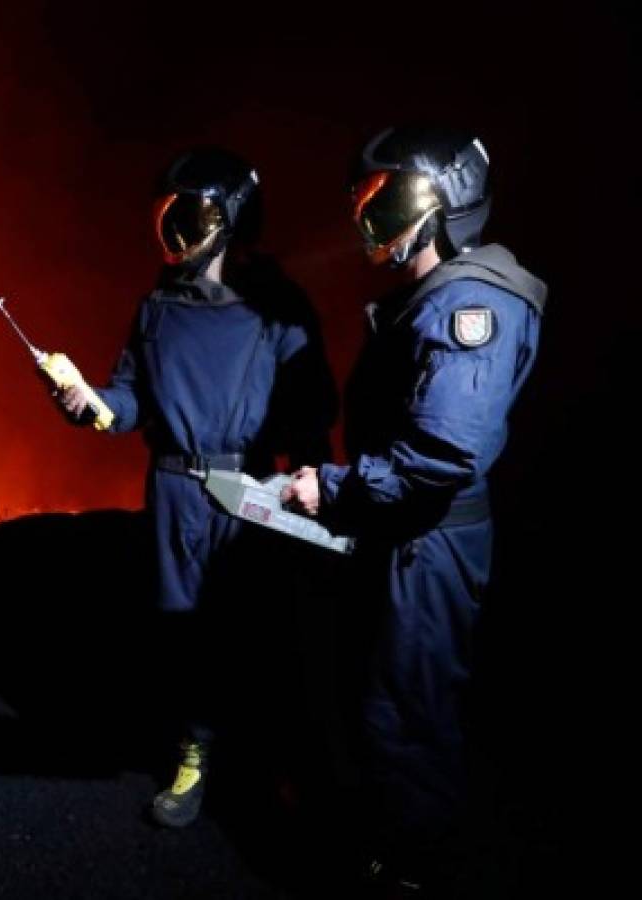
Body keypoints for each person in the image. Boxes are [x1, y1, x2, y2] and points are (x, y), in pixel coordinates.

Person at [283, 125, 547, 894]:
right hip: (402, 531)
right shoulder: (434, 295)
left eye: (386, 200)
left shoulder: (472, 305)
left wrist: (329, 489)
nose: (369, 220)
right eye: (365, 202)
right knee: (381, 694)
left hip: (426, 541)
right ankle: (385, 840)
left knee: (409, 709)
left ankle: (414, 869)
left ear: (441, 203)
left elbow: (441, 455)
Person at [53, 147, 336, 827]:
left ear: (227, 216)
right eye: (167, 213)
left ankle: (275, 762)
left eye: (187, 212)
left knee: (260, 625)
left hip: (252, 486)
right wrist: (88, 400)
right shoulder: (157, 306)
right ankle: (193, 753)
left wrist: (314, 488)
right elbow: (128, 399)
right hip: (176, 488)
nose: (172, 228)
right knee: (181, 630)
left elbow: (310, 407)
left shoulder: (277, 307)